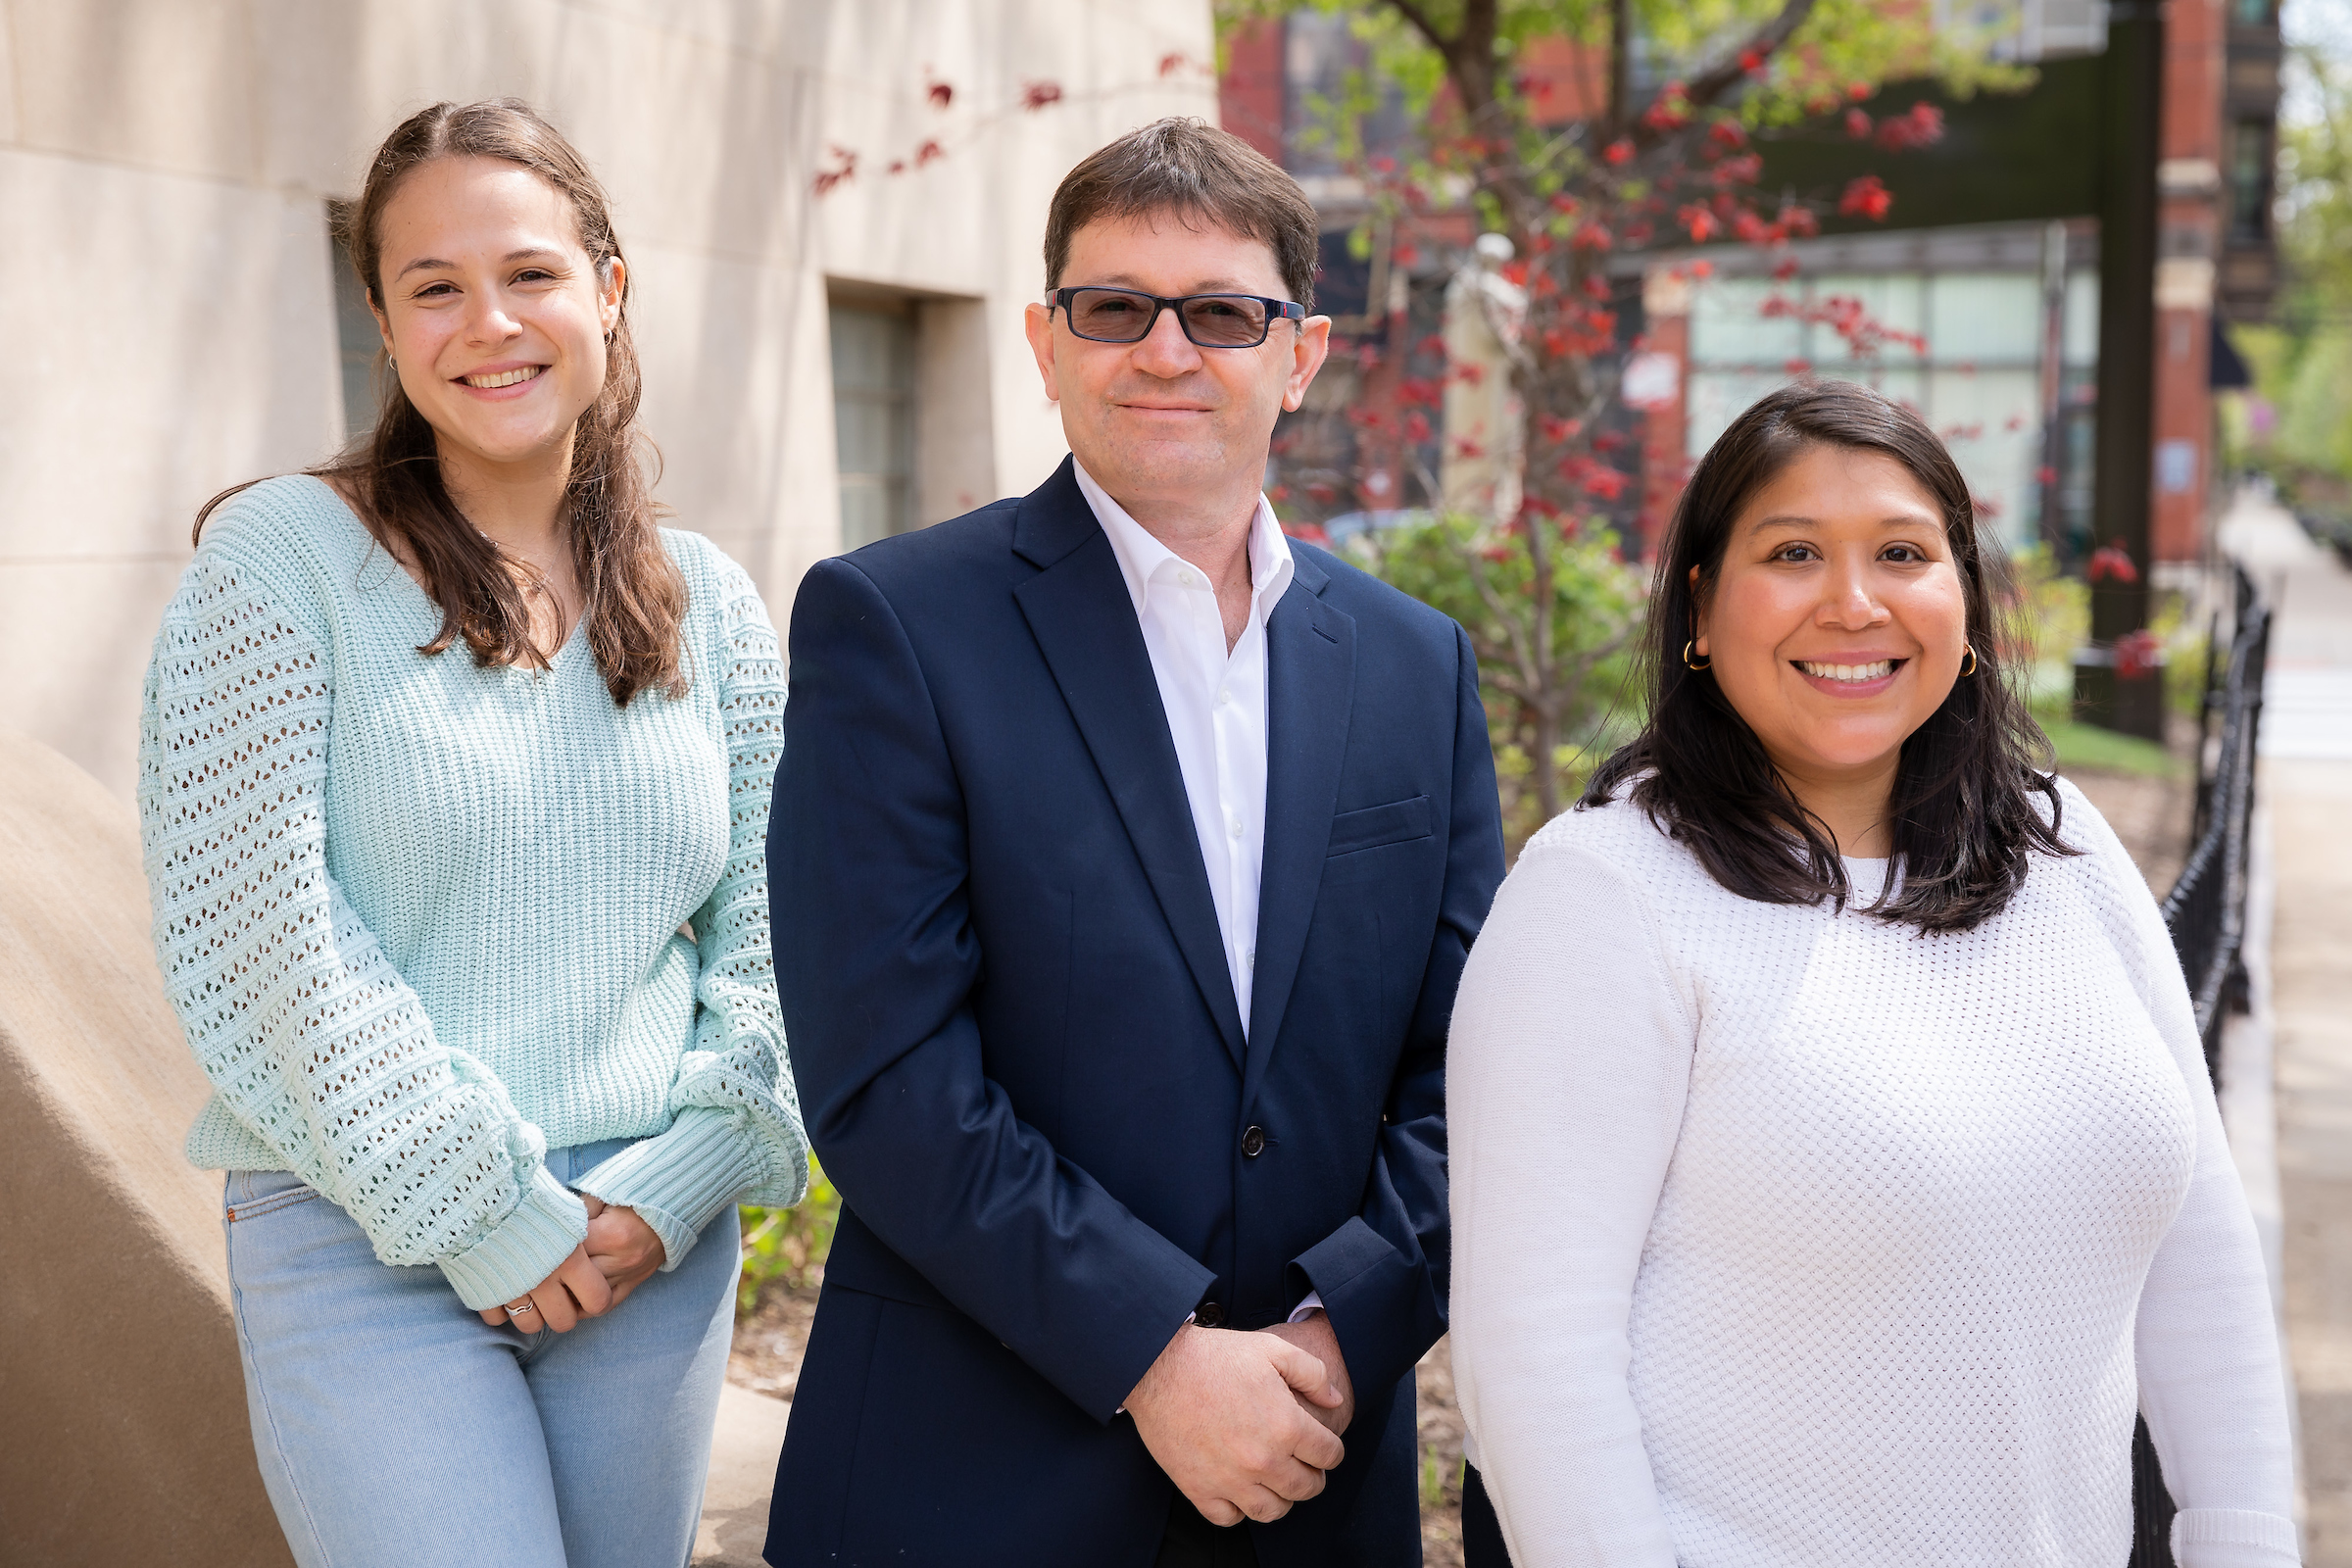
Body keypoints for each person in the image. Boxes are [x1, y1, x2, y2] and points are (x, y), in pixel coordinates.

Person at [764, 117, 1505, 1568]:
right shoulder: (894, 627)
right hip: (975, 1482)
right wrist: (1158, 1358)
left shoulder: (1419, 666)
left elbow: (1471, 1068)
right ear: (1046, 344)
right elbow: (886, 1078)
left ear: (1302, 356)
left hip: (1311, 1466)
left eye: (1223, 313)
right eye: (1114, 308)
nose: (1166, 351)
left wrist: (1339, 1331)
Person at [1447, 380, 2301, 1568]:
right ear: (1701, 608)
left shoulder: (2066, 853)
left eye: (1902, 552)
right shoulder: (1602, 897)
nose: (1853, 604)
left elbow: (2199, 1258)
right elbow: (1536, 1360)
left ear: (1964, 600)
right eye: (1793, 553)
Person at [137, 99, 808, 1568]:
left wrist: (685, 1176)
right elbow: (265, 932)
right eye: (433, 287)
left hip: (645, 1243)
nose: (489, 323)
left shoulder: (712, 603)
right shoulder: (283, 560)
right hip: (363, 1224)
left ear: (609, 290)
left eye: (531, 273)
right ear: (383, 324)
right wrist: (479, 1203)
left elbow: (778, 935)